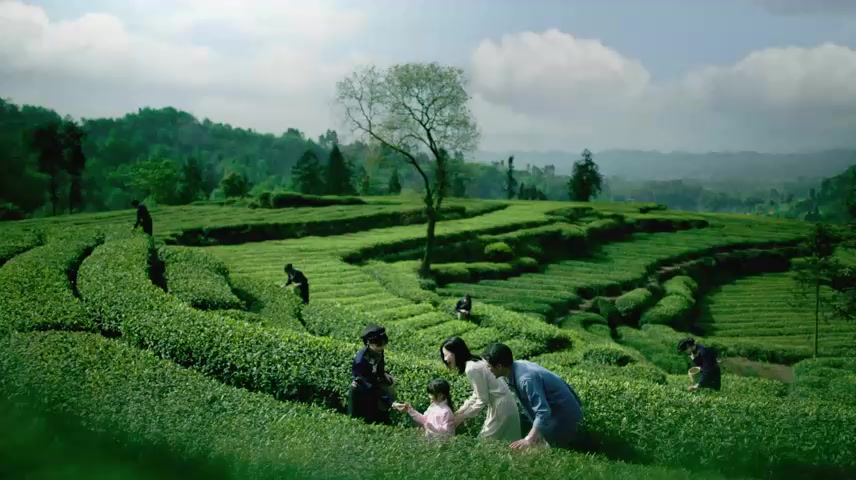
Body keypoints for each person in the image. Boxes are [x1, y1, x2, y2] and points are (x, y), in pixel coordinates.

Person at [481, 342, 583, 450]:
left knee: (528, 453)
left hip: (563, 419)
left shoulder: (525, 379)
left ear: (499, 366)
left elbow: (543, 411)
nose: (487, 370)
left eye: (488, 366)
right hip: (554, 416)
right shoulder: (516, 367)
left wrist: (529, 439)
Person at [439, 337, 521, 443]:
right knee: (508, 445)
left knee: (484, 444)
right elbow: (477, 394)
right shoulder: (475, 362)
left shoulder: (471, 368)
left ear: (456, 352)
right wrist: (462, 409)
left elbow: (482, 399)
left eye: (446, 355)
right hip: (505, 403)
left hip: (501, 407)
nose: (445, 359)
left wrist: (462, 417)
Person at [348, 323, 396, 425]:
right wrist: (389, 401)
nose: (382, 348)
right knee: (360, 422)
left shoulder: (378, 351)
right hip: (361, 393)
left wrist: (384, 376)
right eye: (379, 345)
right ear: (369, 343)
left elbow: (379, 368)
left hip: (372, 389)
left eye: (384, 345)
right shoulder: (360, 360)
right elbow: (369, 385)